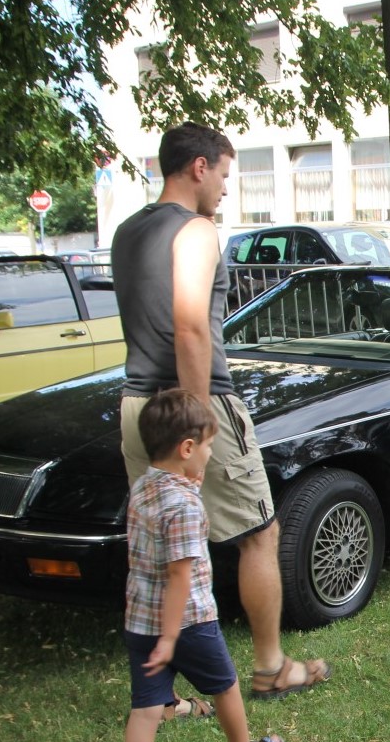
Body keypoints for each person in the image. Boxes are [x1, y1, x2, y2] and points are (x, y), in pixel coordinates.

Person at [112, 122, 328, 700]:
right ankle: (270, 667)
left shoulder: (127, 232)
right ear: (199, 167)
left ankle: (163, 693)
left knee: (155, 545)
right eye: (226, 175)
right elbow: (187, 325)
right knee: (260, 531)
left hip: (135, 405)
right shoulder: (197, 230)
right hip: (188, 400)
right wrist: (198, 419)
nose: (227, 190)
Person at [122, 389, 285, 742]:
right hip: (188, 622)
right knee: (226, 686)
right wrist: (173, 637)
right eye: (209, 445)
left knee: (146, 709)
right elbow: (180, 575)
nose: (211, 454)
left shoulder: (143, 487)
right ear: (187, 449)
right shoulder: (186, 506)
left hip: (139, 622)